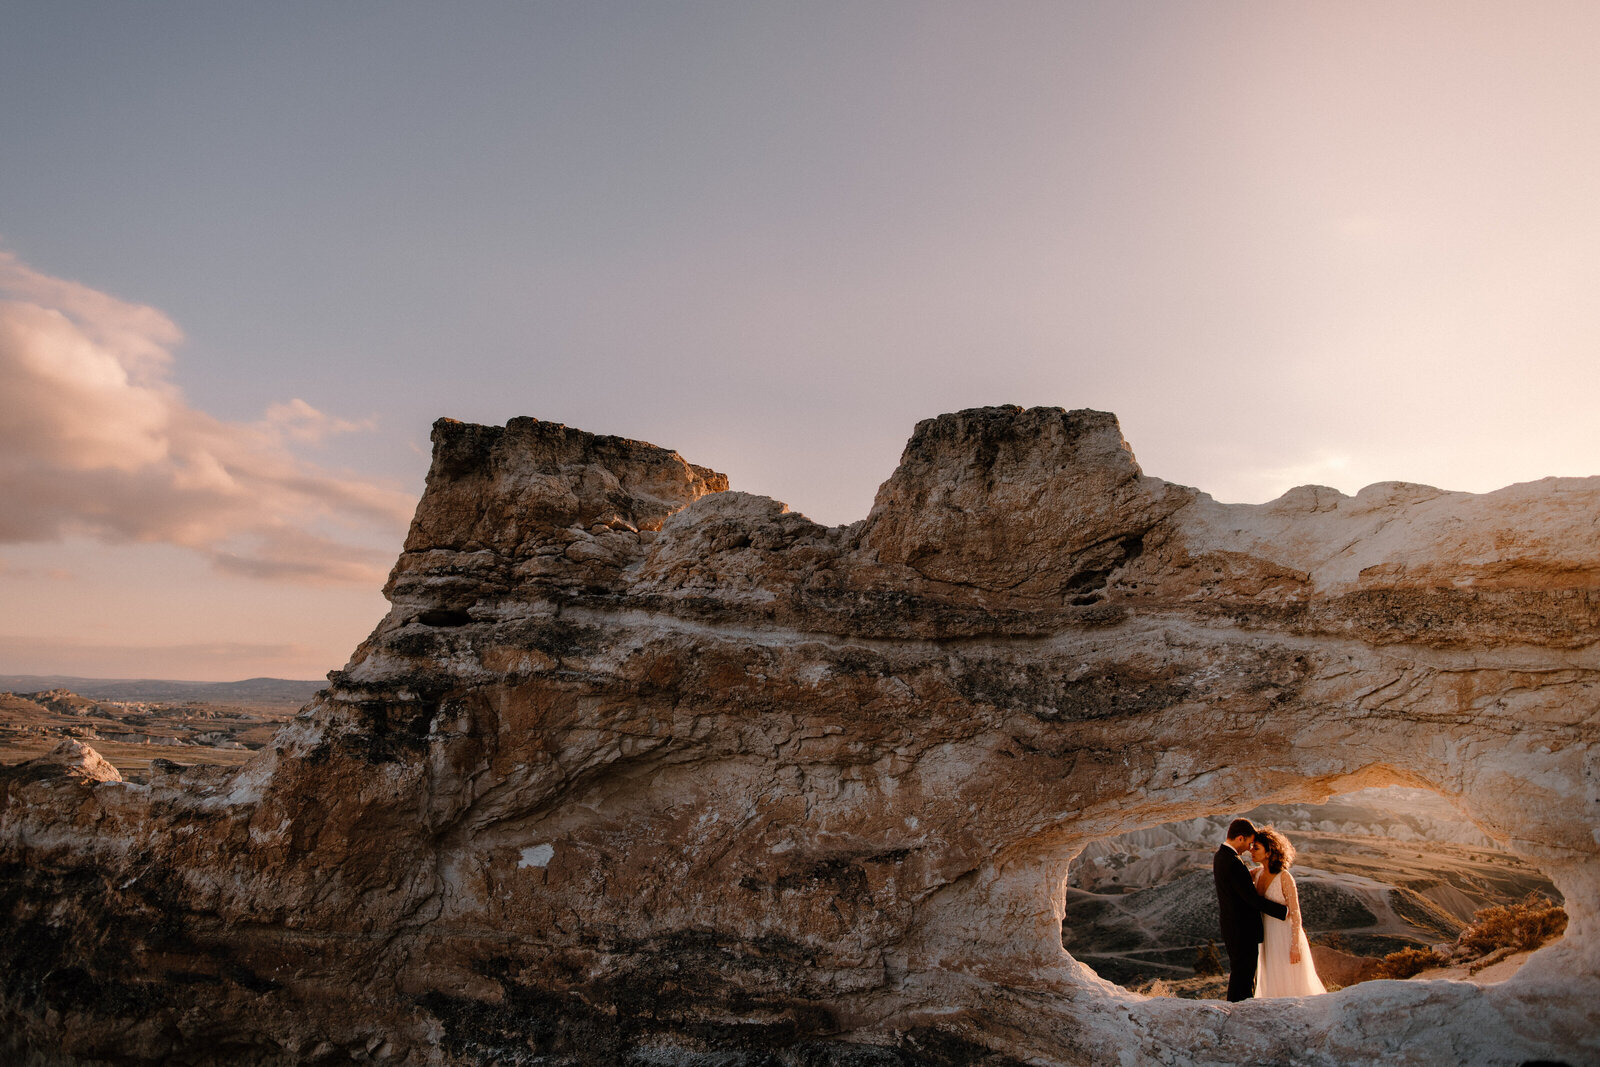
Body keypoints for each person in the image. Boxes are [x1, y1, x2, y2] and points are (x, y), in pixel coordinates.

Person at [1213, 817, 1289, 1001]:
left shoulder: (1221, 856)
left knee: (1240, 975)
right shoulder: (1233, 862)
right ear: (1240, 838)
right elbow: (1251, 899)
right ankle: (1239, 1013)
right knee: (1244, 978)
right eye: (1249, 843)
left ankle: (1234, 1011)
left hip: (1233, 927)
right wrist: (1284, 912)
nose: (1249, 848)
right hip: (1242, 930)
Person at [1250, 826, 1327, 997]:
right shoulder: (1257, 874)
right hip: (1267, 934)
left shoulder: (1284, 877)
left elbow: (1295, 913)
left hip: (1284, 934)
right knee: (1272, 975)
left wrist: (1295, 946)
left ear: (1269, 852)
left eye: (1256, 848)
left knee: (1288, 977)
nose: (1251, 851)